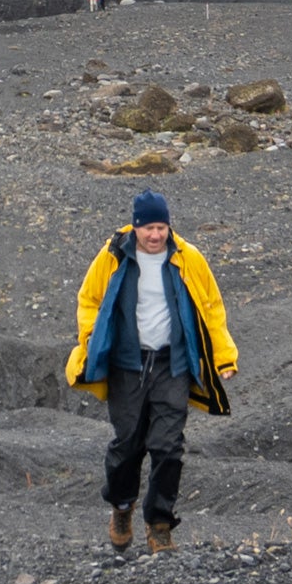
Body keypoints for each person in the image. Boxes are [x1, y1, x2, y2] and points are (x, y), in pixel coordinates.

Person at [66, 188, 237, 556]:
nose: (156, 235)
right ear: (136, 226)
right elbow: (89, 299)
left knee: (168, 447)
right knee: (127, 444)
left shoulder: (187, 257)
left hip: (171, 364)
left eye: (161, 227)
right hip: (126, 363)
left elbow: (211, 307)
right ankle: (122, 505)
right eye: (149, 228)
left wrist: (224, 357)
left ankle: (159, 524)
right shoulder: (113, 255)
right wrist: (91, 335)